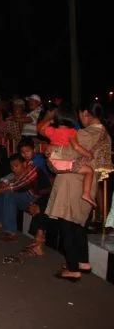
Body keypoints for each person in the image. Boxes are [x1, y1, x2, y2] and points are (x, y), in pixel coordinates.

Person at [46, 101, 112, 281]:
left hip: (72, 182)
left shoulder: (87, 133)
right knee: (77, 225)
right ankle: (83, 262)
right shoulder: (105, 134)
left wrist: (50, 149)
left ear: (85, 113)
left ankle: (73, 268)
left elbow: (68, 153)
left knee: (67, 225)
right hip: (87, 182)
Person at [38, 102, 96, 207]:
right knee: (89, 171)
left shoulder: (52, 130)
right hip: (62, 164)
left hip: (51, 164)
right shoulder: (71, 131)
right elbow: (76, 147)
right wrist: (89, 154)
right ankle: (86, 193)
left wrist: (50, 121)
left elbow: (41, 130)